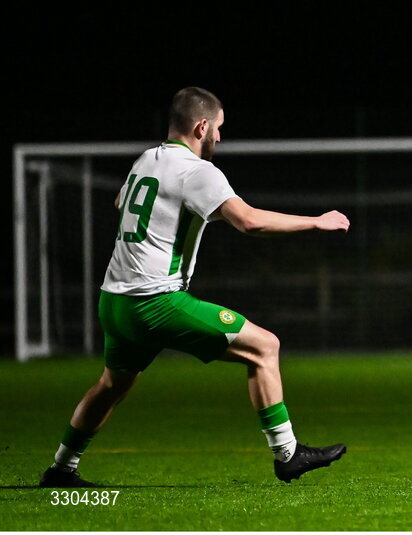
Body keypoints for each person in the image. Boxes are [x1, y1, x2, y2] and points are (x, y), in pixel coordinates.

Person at [40, 87, 350, 487]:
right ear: (202, 126)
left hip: (114, 300)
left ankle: (61, 467)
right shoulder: (196, 172)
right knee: (264, 347)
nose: (219, 137)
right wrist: (316, 221)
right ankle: (288, 454)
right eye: (218, 128)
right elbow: (249, 221)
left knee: (112, 385)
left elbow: (123, 203)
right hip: (156, 302)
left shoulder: (146, 160)